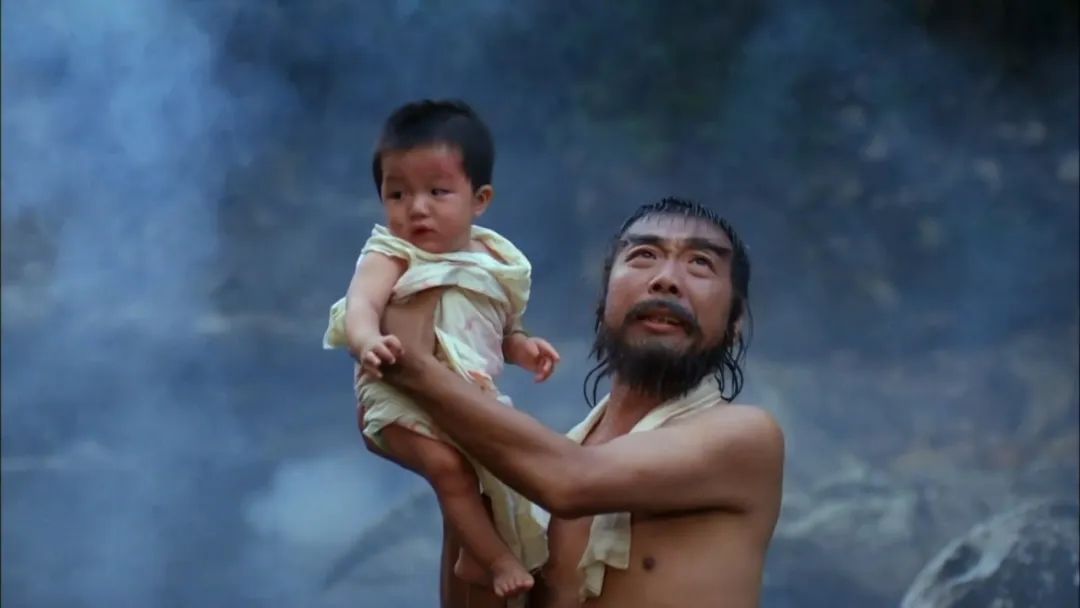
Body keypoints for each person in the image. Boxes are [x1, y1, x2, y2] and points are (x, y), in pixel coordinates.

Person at [376, 197, 785, 607]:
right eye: (644, 255)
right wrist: (457, 465)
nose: (666, 280)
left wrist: (415, 370)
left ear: (735, 322)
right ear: (602, 303)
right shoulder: (537, 473)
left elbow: (571, 482)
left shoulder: (748, 439)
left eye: (700, 263)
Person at [323, 99, 560, 601]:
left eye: (437, 191)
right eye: (398, 193)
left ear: (480, 199)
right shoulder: (391, 253)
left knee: (500, 477)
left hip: (468, 400)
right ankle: (493, 559)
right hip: (398, 400)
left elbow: (502, 327)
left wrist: (523, 348)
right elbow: (361, 306)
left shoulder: (494, 259)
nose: (416, 208)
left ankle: (475, 552)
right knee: (449, 470)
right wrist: (369, 341)